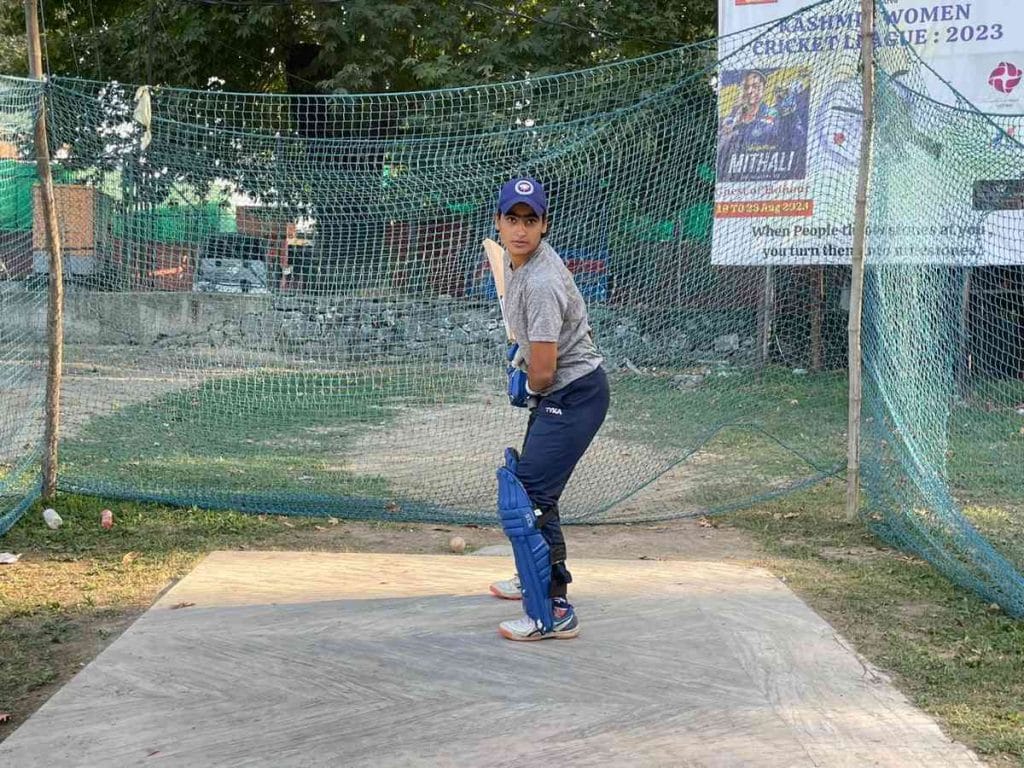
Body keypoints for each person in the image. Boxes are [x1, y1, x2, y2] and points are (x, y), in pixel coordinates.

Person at [488, 176, 610, 641]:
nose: (520, 229)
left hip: (574, 393)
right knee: (532, 489)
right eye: (512, 219)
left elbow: (543, 372)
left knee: (528, 496)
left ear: (545, 226)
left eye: (531, 220)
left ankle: (553, 608)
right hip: (564, 392)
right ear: (499, 222)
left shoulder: (539, 281)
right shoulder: (521, 263)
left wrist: (523, 381)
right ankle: (532, 576)